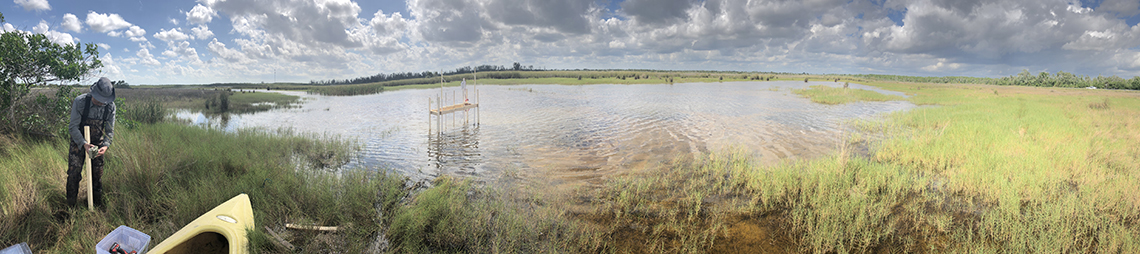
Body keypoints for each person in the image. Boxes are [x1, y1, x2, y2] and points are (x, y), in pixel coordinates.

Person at [66, 77, 116, 208]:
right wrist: (84, 144)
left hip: (98, 144)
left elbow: (109, 131)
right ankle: (70, 207)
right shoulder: (80, 102)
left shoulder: (110, 107)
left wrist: (105, 146)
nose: (100, 103)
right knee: (74, 174)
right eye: (98, 99)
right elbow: (73, 127)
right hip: (78, 142)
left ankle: (96, 205)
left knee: (97, 175)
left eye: (103, 101)